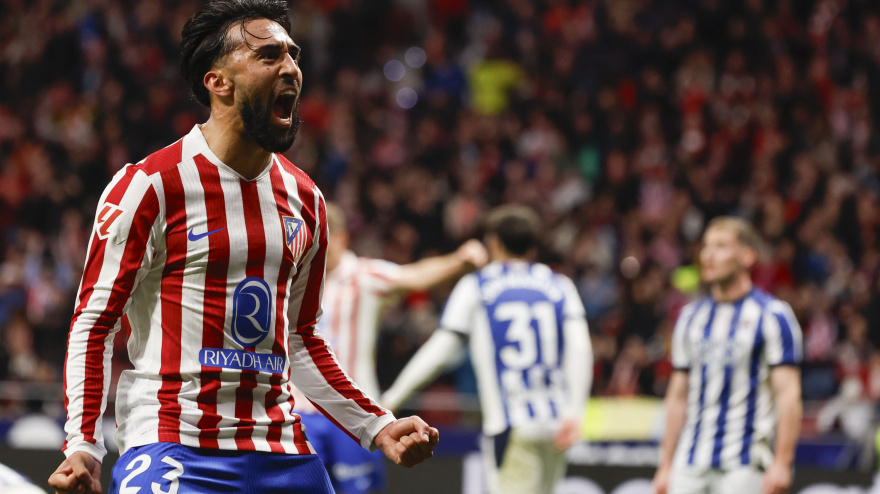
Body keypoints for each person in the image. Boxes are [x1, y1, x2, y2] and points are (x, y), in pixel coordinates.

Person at [48, 2, 439, 493]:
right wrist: (82, 442)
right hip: (174, 443)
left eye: (293, 55)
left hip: (282, 452)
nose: (292, 68)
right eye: (270, 55)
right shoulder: (151, 186)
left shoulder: (306, 201)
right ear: (219, 83)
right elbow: (96, 321)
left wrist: (378, 424)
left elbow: (300, 340)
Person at [381, 205, 592, 494]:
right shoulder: (560, 285)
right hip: (557, 422)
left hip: (511, 422)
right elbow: (580, 350)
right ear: (533, 244)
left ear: (493, 241)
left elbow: (442, 348)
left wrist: (393, 397)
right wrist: (575, 413)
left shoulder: (477, 285)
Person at [294, 202, 487, 494]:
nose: (319, 250)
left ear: (343, 239)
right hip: (301, 413)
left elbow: (416, 275)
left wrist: (460, 260)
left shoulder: (363, 276)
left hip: (353, 416)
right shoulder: (294, 276)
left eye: (326, 243)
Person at [652, 217, 803, 494]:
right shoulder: (690, 317)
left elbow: (788, 394)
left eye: (721, 246)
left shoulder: (772, 316)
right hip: (690, 461)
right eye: (706, 246)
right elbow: (677, 396)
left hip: (744, 464)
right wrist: (665, 464)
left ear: (747, 256)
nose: (708, 255)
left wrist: (782, 462)